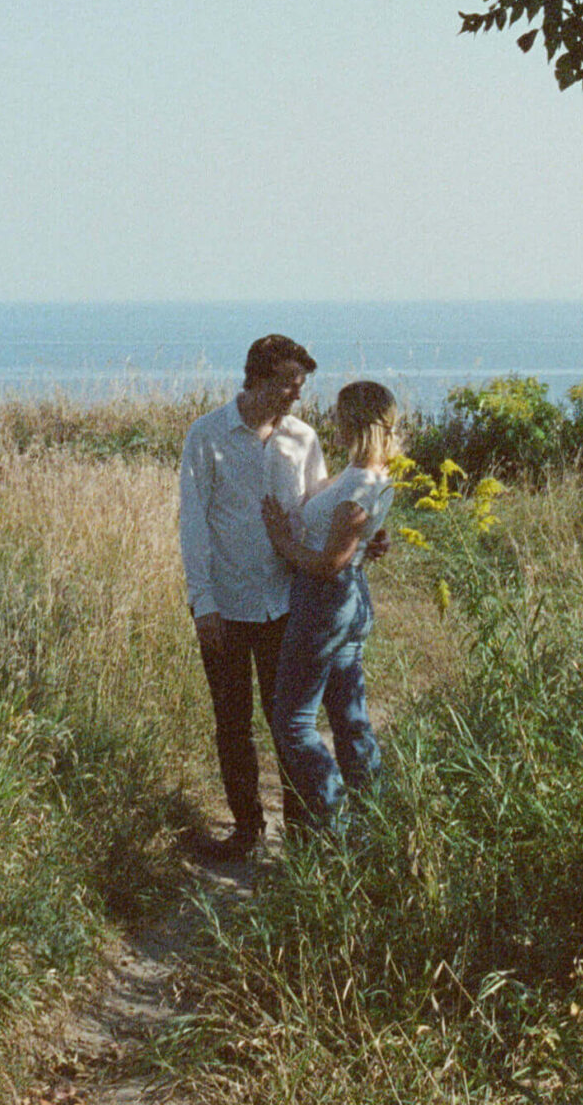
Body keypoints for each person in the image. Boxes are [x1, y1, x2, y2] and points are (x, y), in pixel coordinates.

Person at [177, 332, 324, 861]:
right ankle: (246, 830)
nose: (297, 395)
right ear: (258, 379)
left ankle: (302, 833)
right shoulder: (207, 435)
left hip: (285, 602)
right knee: (232, 721)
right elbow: (192, 522)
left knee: (288, 720)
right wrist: (203, 602)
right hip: (226, 608)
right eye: (288, 383)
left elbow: (316, 509)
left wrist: (361, 536)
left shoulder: (303, 439)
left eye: (300, 384)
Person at [261, 378, 398, 835]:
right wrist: (364, 542)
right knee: (349, 715)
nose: (333, 424)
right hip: (347, 601)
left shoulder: (360, 486)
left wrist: (283, 543)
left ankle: (339, 828)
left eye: (340, 417)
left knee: (293, 723)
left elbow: (326, 565)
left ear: (355, 423)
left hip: (326, 602)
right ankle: (374, 821)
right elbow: (347, 543)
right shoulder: (367, 473)